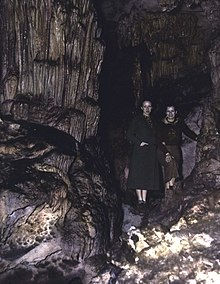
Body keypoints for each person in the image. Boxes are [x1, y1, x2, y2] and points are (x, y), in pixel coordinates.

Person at [126, 100, 171, 207]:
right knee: (138, 174)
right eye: (145, 106)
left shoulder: (153, 121)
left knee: (146, 174)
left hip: (150, 151)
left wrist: (165, 149)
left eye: (149, 106)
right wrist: (139, 142)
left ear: (151, 108)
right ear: (142, 108)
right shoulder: (137, 120)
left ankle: (144, 199)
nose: (147, 108)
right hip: (140, 150)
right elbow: (129, 134)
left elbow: (157, 137)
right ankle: (139, 199)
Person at [157, 105, 198, 190]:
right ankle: (169, 187)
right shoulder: (161, 124)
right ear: (166, 113)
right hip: (163, 149)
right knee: (171, 162)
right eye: (168, 111)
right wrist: (166, 153)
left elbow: (188, 132)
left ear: (175, 112)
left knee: (174, 166)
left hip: (175, 148)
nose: (170, 113)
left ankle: (169, 189)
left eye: (172, 111)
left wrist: (198, 138)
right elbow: (158, 140)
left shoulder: (179, 123)